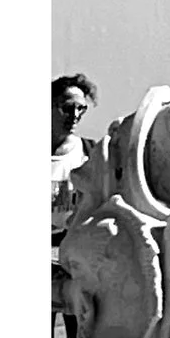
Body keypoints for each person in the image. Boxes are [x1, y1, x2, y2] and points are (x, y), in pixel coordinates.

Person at [50, 73, 97, 252]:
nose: (75, 115)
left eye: (81, 109)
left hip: (69, 252)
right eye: (68, 108)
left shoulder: (90, 154)